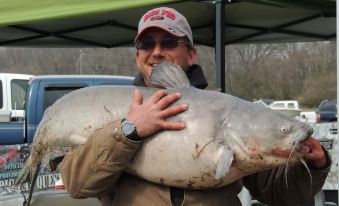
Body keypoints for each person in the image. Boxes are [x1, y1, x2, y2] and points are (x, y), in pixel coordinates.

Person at [60, 7, 331, 206]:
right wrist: (128, 131)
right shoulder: (107, 114)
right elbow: (78, 185)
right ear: (137, 56)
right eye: (146, 44)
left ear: (190, 54)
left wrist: (315, 165)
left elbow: (280, 194)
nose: (156, 52)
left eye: (168, 42)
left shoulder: (235, 116)